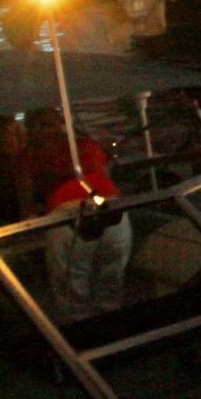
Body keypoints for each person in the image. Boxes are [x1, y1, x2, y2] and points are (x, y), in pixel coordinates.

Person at [37, 123, 131, 320]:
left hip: (67, 214)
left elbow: (27, 197)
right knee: (111, 279)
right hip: (111, 208)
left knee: (73, 289)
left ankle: (82, 338)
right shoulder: (89, 144)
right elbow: (104, 174)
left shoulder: (34, 153)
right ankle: (112, 333)